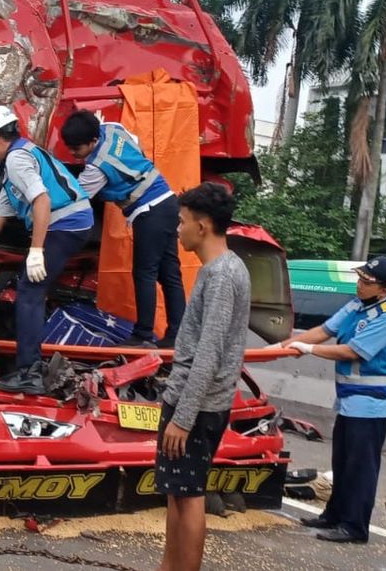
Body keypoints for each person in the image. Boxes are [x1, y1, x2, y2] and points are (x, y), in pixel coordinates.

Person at [277, 256, 386, 544]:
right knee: (343, 461)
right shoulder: (357, 305)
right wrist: (284, 347)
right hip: (349, 400)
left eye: (366, 282)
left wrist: (308, 349)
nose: (359, 284)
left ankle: (355, 526)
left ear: (384, 289)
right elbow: (325, 331)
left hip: (372, 403)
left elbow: (352, 351)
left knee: (361, 466)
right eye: (359, 278)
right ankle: (334, 515)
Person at [156, 183, 250, 571]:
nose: (178, 230)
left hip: (197, 407)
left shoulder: (224, 274)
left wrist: (183, 417)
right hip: (188, 401)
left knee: (190, 494)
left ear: (204, 224)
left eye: (181, 221)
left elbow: (209, 353)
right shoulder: (216, 270)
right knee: (178, 493)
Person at [0, 105, 94, 394]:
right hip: (71, 223)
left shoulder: (16, 160)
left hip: (67, 224)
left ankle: (30, 372)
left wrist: (36, 251)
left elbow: (41, 201)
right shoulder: (17, 164)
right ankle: (30, 367)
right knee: (32, 290)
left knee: (29, 291)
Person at [61, 110, 185, 347]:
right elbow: (135, 145)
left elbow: (75, 198)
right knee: (169, 274)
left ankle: (143, 335)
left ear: (93, 141)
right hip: (168, 201)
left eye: (77, 149)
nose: (73, 154)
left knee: (145, 273)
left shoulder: (97, 167)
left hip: (149, 211)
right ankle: (178, 335)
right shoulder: (112, 128)